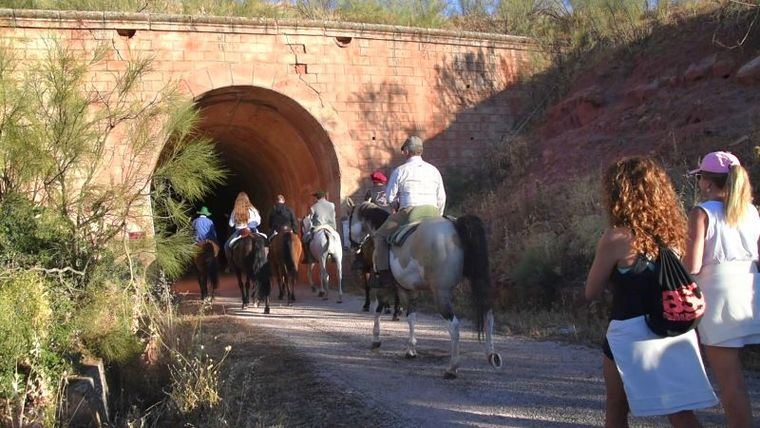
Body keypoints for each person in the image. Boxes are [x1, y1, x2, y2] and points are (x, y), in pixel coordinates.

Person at [585, 157, 717, 427]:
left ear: (618, 194)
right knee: (681, 413)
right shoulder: (676, 234)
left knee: (617, 407)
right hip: (674, 330)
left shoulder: (617, 239)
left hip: (628, 333)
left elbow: (591, 291)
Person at [683, 151, 760, 428]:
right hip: (750, 289)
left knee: (731, 380)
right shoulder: (751, 211)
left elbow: (692, 265)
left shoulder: (702, 212)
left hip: (719, 297)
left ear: (706, 182)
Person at [373, 135, 446, 288]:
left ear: (406, 151)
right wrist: (438, 215)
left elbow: (389, 196)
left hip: (409, 211)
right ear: (421, 151)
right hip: (432, 212)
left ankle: (384, 274)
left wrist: (396, 206)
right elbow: (441, 198)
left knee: (379, 236)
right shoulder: (434, 170)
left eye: (403, 151)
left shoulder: (400, 171)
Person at [224, 192, 262, 265]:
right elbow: (258, 221)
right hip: (253, 229)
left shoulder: (235, 210)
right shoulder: (253, 209)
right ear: (247, 199)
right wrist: (251, 225)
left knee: (226, 246)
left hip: (240, 231)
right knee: (263, 241)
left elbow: (230, 224)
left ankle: (231, 264)